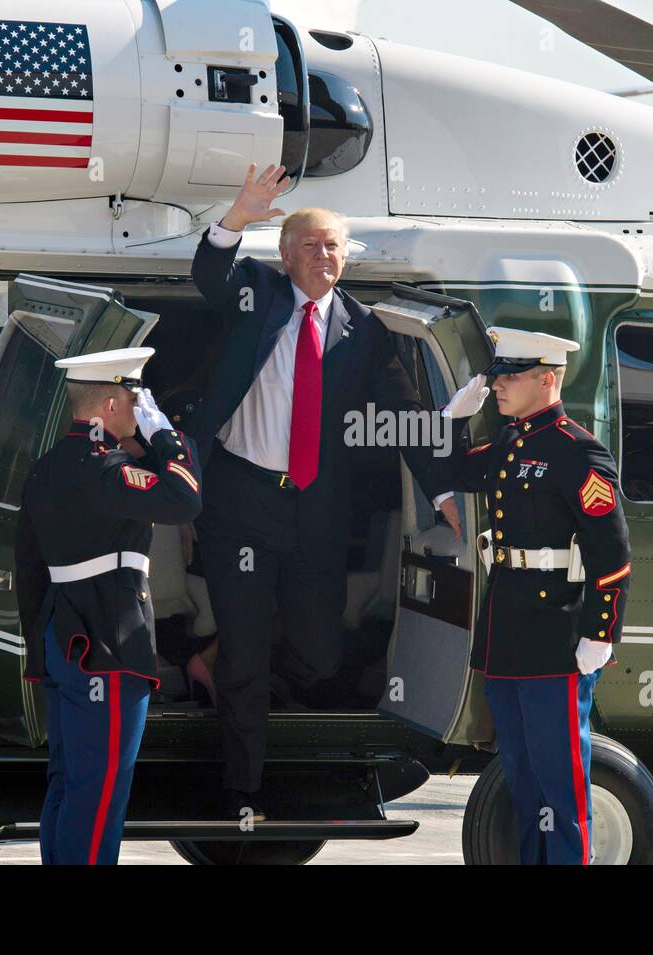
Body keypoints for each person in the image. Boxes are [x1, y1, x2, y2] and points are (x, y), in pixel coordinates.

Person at [188, 163, 458, 820]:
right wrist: (238, 216)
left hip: (315, 507)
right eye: (308, 244)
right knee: (250, 654)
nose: (322, 255)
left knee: (319, 649)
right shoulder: (256, 291)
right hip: (243, 501)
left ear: (346, 259)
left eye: (332, 245)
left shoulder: (365, 330)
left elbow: (406, 415)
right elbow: (208, 278)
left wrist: (446, 491)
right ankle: (242, 790)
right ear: (285, 255)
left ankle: (214, 658)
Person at [438, 327, 632, 865]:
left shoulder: (578, 452)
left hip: (555, 635)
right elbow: (453, 472)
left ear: (548, 379)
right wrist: (455, 421)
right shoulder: (511, 442)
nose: (498, 386)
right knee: (522, 779)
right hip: (509, 634)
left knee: (560, 783)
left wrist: (600, 633)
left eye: (511, 376)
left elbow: (611, 553)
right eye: (497, 375)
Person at [14, 347, 202, 865]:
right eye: (134, 398)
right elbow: (185, 499)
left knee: (69, 782)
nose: (138, 410)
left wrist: (42, 649)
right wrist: (166, 435)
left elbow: (29, 573)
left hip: (62, 641)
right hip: (108, 647)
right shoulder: (105, 469)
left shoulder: (47, 469)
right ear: (114, 405)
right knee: (98, 796)